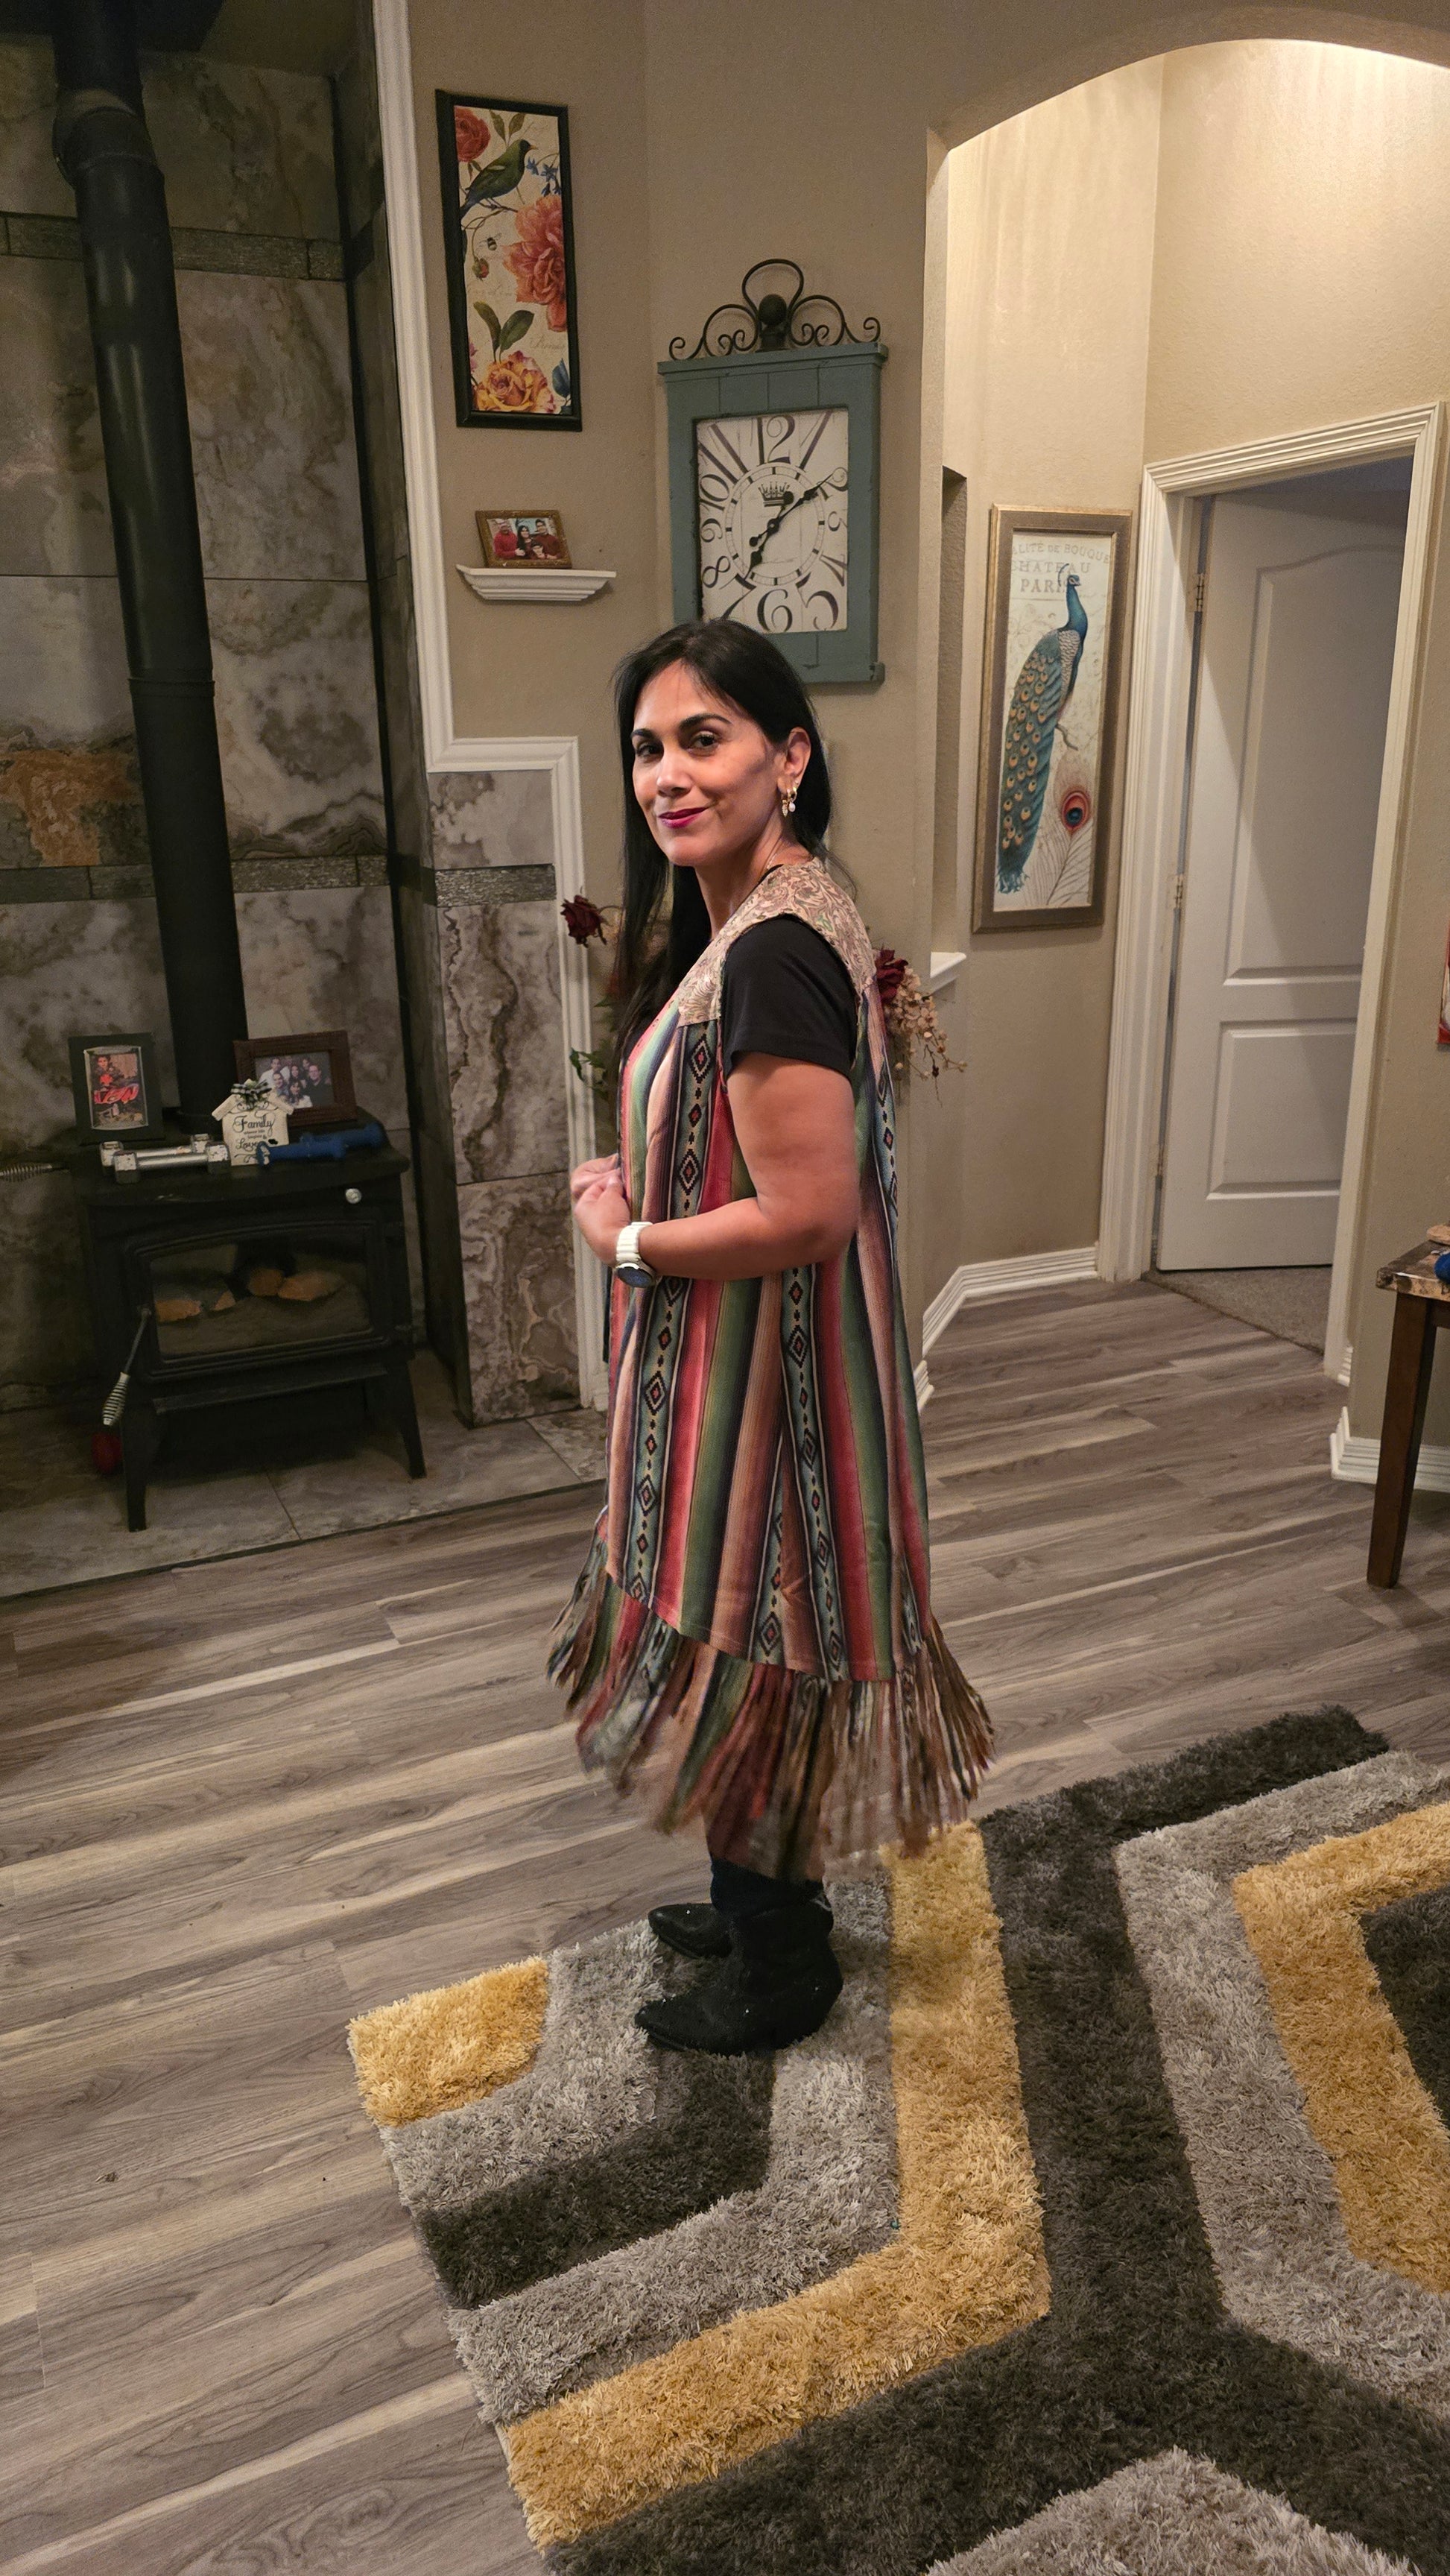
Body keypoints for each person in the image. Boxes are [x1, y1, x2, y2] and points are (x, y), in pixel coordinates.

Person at [556, 621, 992, 2057]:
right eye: (647, 748)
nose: (667, 776)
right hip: (752, 1365)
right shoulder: (768, 918)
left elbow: (805, 1212)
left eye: (705, 738)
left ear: (786, 756)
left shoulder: (773, 951)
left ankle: (779, 1961)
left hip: (768, 1386)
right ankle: (757, 1899)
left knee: (751, 1632)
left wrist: (623, 1239)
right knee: (751, 1639)